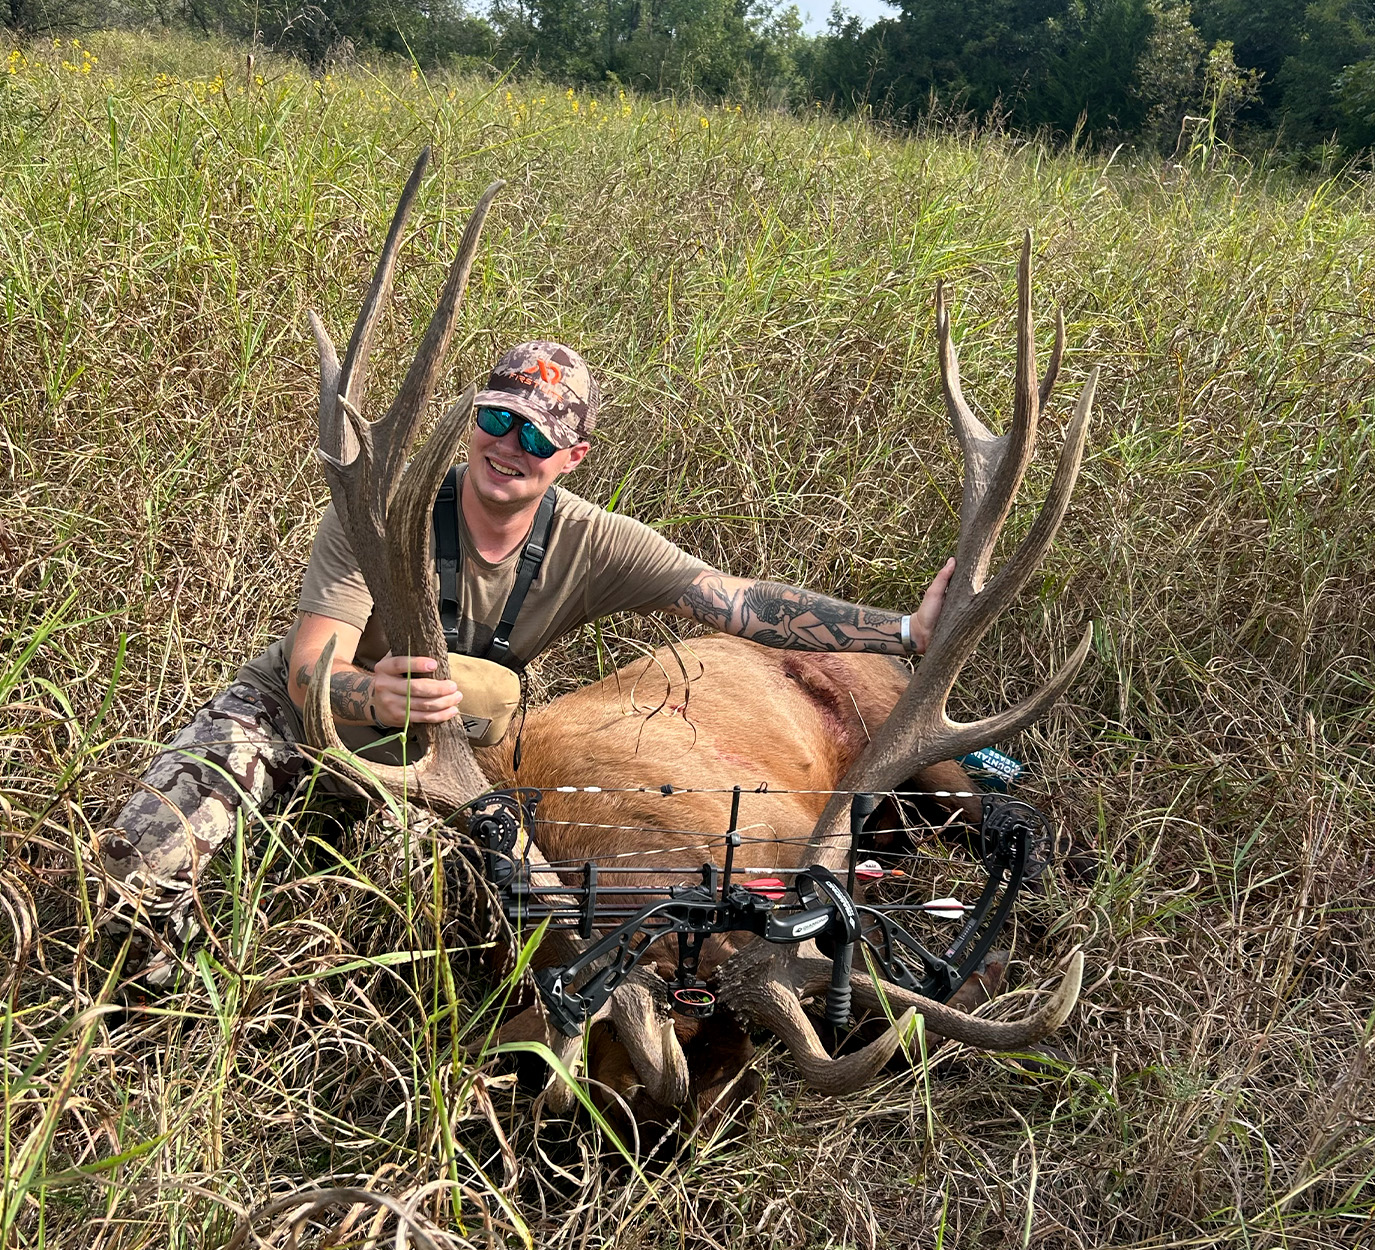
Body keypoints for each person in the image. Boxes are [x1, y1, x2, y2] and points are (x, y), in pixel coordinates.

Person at [99, 341, 954, 984]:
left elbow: (737, 602)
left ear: (572, 458)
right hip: (301, 717)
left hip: (440, 762)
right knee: (137, 876)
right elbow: (306, 669)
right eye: (495, 419)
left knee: (426, 928)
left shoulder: (590, 542)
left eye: (535, 437)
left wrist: (903, 634)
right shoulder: (384, 510)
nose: (507, 445)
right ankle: (138, 1008)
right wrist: (369, 689)